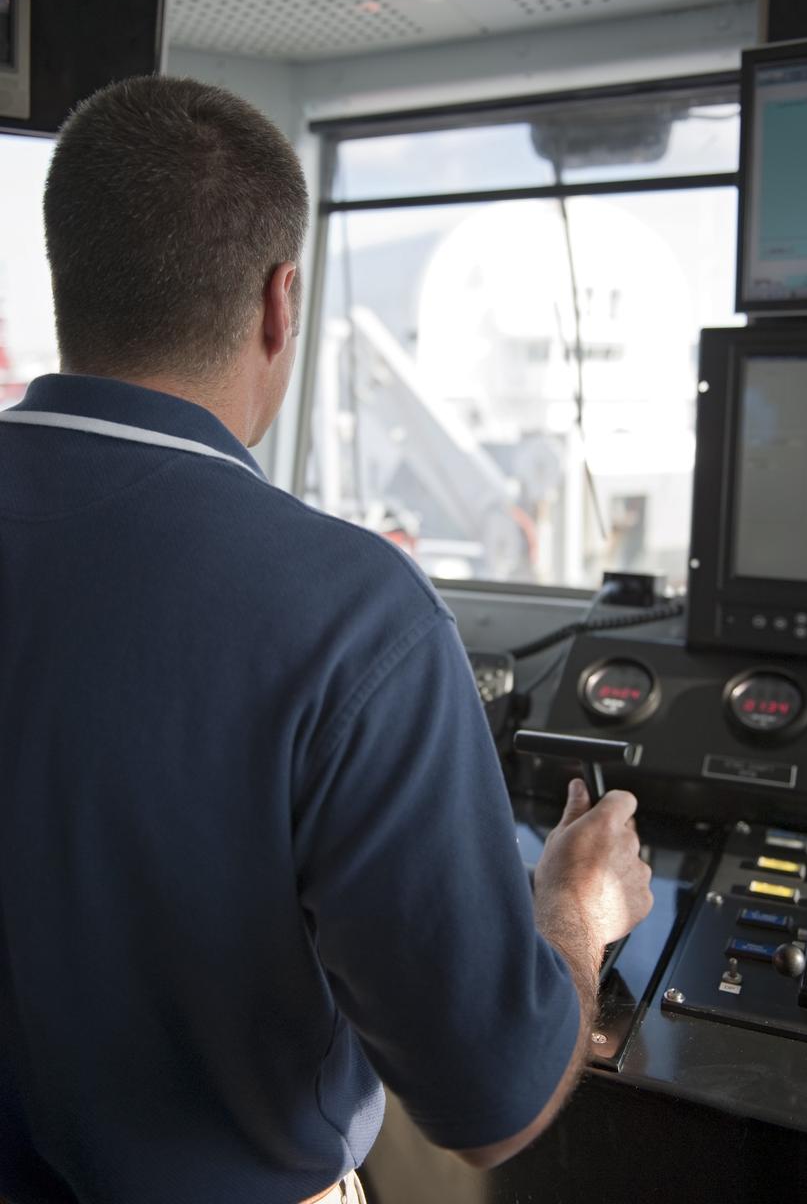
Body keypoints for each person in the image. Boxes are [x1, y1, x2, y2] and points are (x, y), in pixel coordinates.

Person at [0, 76, 653, 1204]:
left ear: (68, 279)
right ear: (278, 301)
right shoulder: (359, 615)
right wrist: (572, 916)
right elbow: (492, 1102)